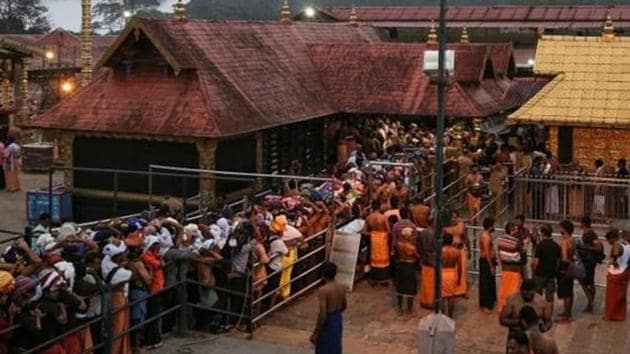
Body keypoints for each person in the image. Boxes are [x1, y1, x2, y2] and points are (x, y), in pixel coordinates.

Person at [500, 279, 553, 353]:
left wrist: (544, 328)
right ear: (521, 290)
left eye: (530, 293)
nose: (528, 295)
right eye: (525, 293)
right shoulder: (512, 300)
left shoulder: (542, 302)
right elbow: (502, 319)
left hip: (534, 337)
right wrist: (518, 322)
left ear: (535, 290)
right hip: (516, 335)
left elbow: (549, 321)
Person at [310, 262, 347, 354]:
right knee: (335, 346)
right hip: (337, 318)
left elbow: (323, 314)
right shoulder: (341, 287)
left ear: (323, 274)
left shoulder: (323, 290)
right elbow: (344, 305)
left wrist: (316, 332)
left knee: (324, 348)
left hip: (328, 321)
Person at [577, 216, 604, 313]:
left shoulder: (591, 234)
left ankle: (590, 301)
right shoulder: (587, 233)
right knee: (589, 281)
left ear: (583, 224)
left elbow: (598, 248)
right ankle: (590, 304)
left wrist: (586, 247)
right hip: (587, 260)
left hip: (590, 261)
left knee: (583, 280)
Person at [498, 222, 525, 312]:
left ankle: (502, 307)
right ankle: (513, 309)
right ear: (511, 230)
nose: (517, 231)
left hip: (505, 268)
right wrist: (526, 243)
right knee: (514, 290)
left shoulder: (500, 240)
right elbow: (522, 253)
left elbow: (499, 254)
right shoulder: (517, 241)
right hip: (514, 269)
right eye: (515, 229)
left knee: (504, 289)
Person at [531, 224, 560, 309]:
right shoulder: (556, 246)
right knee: (550, 297)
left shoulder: (540, 246)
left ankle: (537, 313)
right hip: (551, 274)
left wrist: (533, 272)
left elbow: (536, 262)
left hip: (540, 274)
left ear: (542, 233)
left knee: (537, 295)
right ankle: (549, 315)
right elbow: (558, 262)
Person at [604, 229, 630, 321]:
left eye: (609, 241)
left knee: (612, 296)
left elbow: (615, 251)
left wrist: (614, 261)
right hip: (625, 271)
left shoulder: (616, 244)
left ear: (612, 238)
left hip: (616, 273)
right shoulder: (627, 244)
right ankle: (620, 315)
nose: (609, 243)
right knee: (621, 296)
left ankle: (611, 316)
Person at [363, 200, 391, 285]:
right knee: (383, 259)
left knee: (374, 258)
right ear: (379, 207)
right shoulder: (383, 217)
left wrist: (372, 234)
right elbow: (389, 230)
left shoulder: (369, 217)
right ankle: (383, 278)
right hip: (382, 239)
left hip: (373, 238)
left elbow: (364, 231)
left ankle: (374, 278)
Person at [443, 210, 469, 298]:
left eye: (455, 217)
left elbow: (466, 238)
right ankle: (451, 289)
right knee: (451, 272)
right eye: (451, 217)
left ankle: (462, 291)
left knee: (462, 271)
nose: (453, 219)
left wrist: (469, 249)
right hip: (449, 251)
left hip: (460, 250)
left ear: (458, 218)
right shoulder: (445, 227)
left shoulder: (462, 226)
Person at [394, 227, 418, 314]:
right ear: (409, 236)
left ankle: (400, 308)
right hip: (409, 266)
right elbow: (417, 256)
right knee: (410, 288)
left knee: (400, 287)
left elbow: (396, 254)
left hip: (401, 265)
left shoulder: (398, 244)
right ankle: (409, 309)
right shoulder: (412, 248)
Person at [556, 220, 575, 322]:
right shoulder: (572, 240)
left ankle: (566, 317)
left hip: (564, 269)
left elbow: (564, 258)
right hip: (571, 268)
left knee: (566, 292)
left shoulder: (564, 242)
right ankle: (567, 312)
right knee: (569, 292)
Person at [441, 234, 462, 318]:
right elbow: (460, 267)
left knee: (441, 297)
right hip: (452, 273)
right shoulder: (457, 251)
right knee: (451, 297)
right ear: (451, 241)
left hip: (442, 273)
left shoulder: (440, 250)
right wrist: (459, 279)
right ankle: (450, 317)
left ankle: (442, 317)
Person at [479, 217, 497, 313]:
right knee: (485, 283)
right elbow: (486, 252)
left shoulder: (488, 234)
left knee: (490, 282)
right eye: (493, 225)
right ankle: (485, 305)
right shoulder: (485, 236)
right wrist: (490, 266)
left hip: (490, 260)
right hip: (486, 262)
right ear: (490, 226)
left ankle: (490, 302)